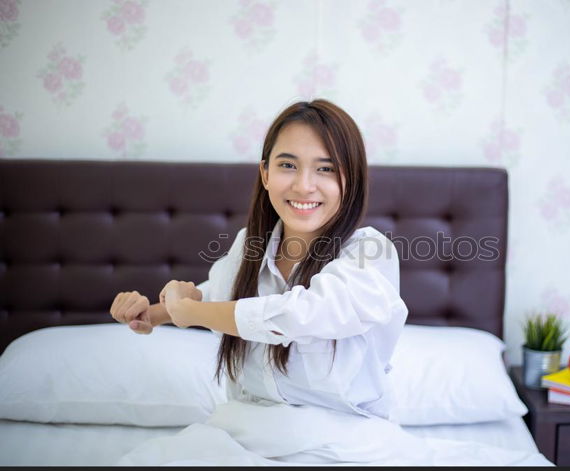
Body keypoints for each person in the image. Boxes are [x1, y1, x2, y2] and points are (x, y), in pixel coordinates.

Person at [109, 99, 408, 421]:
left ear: (352, 180)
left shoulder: (369, 252)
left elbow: (303, 314)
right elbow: (221, 294)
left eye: (326, 168)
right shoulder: (249, 245)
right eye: (287, 165)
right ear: (265, 174)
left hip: (342, 440)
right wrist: (152, 314)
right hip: (246, 429)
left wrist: (191, 310)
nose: (304, 186)